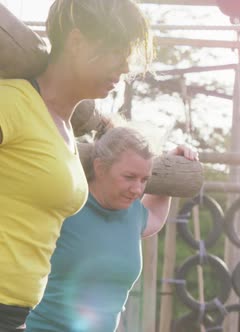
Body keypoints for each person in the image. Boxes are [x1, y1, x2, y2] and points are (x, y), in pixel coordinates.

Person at [0, 0, 152, 329]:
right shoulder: (11, 102)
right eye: (117, 49)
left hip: (17, 314)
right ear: (77, 41)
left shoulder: (63, 128)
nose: (125, 66)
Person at [26, 126, 198, 332]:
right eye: (129, 177)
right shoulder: (66, 203)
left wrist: (171, 161)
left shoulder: (134, 213)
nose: (137, 189)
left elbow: (156, 217)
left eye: (144, 180)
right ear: (99, 168)